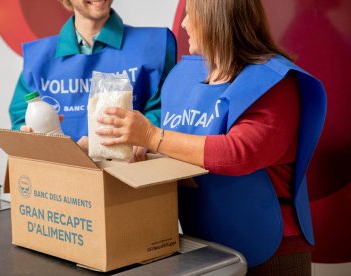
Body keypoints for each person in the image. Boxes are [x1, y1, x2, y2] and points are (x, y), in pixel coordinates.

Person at [95, 0, 327, 274]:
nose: (182, 24)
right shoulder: (186, 77)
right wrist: (149, 152)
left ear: (214, 19)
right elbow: (189, 148)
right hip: (207, 247)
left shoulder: (275, 83)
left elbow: (238, 153)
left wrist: (151, 136)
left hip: (269, 251)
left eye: (190, 15)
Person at [8, 0, 176, 161]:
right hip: (63, 180)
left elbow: (168, 110)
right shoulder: (38, 59)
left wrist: (146, 137)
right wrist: (30, 137)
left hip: (132, 177)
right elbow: (21, 119)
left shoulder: (154, 46)